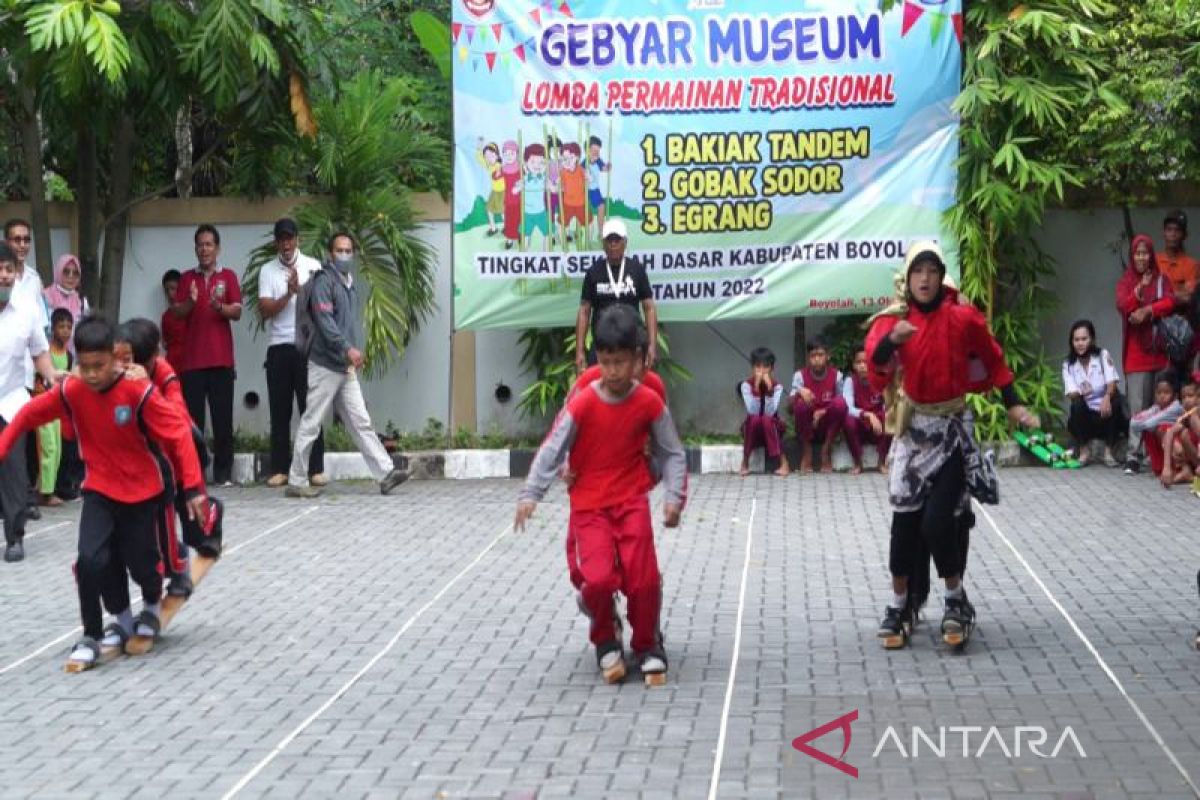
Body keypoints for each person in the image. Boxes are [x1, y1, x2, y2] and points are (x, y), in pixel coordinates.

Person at [0, 317, 207, 669]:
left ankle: (152, 604)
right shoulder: (72, 390)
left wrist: (194, 489)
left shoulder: (138, 392)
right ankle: (96, 632)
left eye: (100, 366)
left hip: (143, 492)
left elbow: (178, 433)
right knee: (91, 561)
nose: (93, 375)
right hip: (99, 489)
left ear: (116, 357)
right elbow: (27, 416)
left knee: (143, 564)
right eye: (85, 366)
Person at [865, 241, 1038, 651]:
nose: (924, 279)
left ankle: (956, 600)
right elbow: (875, 374)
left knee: (939, 522)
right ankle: (900, 604)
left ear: (942, 277)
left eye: (932, 271)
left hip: (953, 433)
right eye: (917, 271)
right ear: (907, 279)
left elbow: (994, 360)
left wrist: (1014, 405)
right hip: (912, 433)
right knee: (903, 526)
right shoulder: (894, 321)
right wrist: (892, 342)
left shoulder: (962, 318)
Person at [515, 304, 686, 685]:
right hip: (589, 501)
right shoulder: (585, 395)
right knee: (596, 579)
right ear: (598, 359)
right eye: (606, 362)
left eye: (623, 362)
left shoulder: (650, 396)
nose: (614, 372)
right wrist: (533, 492)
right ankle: (606, 635)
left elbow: (670, 450)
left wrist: (673, 498)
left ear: (641, 359)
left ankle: (647, 644)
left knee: (642, 579)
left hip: (631, 498)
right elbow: (556, 443)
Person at [285, 232, 407, 498]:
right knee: (312, 422)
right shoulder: (324, 282)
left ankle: (386, 474)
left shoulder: (348, 282)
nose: (344, 255)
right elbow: (326, 322)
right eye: (339, 250)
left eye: (348, 250)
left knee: (360, 421)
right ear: (330, 254)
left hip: (344, 367)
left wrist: (350, 353)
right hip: (325, 364)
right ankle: (296, 479)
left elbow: (344, 324)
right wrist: (347, 349)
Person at [115, 318, 225, 596]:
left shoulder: (164, 373)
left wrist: (193, 490)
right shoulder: (120, 372)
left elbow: (178, 423)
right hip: (152, 462)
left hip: (182, 455)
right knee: (151, 525)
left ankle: (213, 511)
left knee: (195, 532)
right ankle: (175, 570)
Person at [0, 243, 63, 562]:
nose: (3, 276)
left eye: (8, 269)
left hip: (11, 402)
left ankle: (14, 537)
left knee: (14, 471)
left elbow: (40, 353)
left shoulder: (26, 311)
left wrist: (52, 376)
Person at [170, 224, 241, 486]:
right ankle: (195, 471)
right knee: (193, 422)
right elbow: (177, 312)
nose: (204, 249)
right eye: (200, 244)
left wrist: (218, 306)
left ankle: (223, 473)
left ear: (218, 248)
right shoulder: (187, 278)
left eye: (209, 244)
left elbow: (237, 311)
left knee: (223, 420)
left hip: (221, 360)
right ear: (195, 248)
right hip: (193, 363)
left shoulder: (229, 276)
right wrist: (191, 301)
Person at [257, 218, 326, 489]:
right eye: (281, 239)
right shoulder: (267, 271)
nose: (286, 244)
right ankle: (279, 469)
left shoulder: (313, 266)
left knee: (310, 409)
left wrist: (303, 292)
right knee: (280, 410)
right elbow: (264, 310)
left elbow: (322, 307)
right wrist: (288, 294)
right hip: (279, 347)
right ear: (276, 242)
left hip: (307, 347)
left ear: (298, 239)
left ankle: (315, 468)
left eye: (290, 238)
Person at [1116, 234, 1178, 473]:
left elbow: (1171, 303)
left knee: (1160, 404)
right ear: (1133, 256)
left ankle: (1158, 456)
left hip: (1160, 351)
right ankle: (1134, 455)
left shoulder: (1162, 279)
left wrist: (1149, 310)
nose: (1141, 257)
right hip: (1136, 354)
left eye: (1145, 253)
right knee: (1138, 407)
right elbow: (1124, 307)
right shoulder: (1126, 281)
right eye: (1137, 253)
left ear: (1151, 255)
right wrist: (1140, 288)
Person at [575, 218, 659, 371]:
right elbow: (584, 311)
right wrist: (579, 351)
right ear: (603, 244)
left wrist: (652, 345)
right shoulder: (593, 272)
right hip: (602, 346)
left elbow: (649, 308)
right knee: (600, 391)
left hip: (632, 344)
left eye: (617, 240)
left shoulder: (637, 270)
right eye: (609, 240)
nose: (613, 244)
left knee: (634, 391)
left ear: (625, 242)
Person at [1061, 319, 1126, 466]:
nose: (1080, 343)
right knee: (1076, 405)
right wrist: (1081, 393)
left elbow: (1112, 382)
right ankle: (1084, 451)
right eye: (1076, 340)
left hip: (1105, 414)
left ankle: (1108, 452)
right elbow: (1071, 394)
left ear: (1092, 339)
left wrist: (1107, 397)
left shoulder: (1102, 355)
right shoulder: (1068, 364)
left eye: (1084, 339)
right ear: (1072, 342)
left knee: (1115, 401)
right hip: (1087, 418)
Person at [789, 338, 849, 474]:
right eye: (813, 356)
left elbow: (843, 405)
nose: (816, 359)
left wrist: (823, 411)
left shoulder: (837, 376)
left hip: (828, 427)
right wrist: (799, 392)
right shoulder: (800, 376)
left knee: (839, 403)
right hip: (807, 427)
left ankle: (825, 451)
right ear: (808, 358)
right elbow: (790, 408)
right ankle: (807, 451)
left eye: (820, 355)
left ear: (828, 356)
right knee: (801, 404)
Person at [34, 309, 73, 507]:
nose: (65, 331)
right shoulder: (44, 352)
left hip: (58, 407)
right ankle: (44, 493)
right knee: (47, 447)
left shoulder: (69, 355)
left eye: (68, 327)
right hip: (42, 405)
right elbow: (38, 378)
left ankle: (48, 488)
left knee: (56, 449)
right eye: (61, 326)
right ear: (53, 328)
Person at [738, 347, 789, 477]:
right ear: (752, 368)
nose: (761, 371)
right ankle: (745, 462)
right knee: (755, 419)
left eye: (766, 367)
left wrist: (769, 390)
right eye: (758, 367)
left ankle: (783, 463)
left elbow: (770, 412)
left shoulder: (777, 387)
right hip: (753, 429)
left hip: (771, 429)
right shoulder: (746, 386)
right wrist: (756, 388)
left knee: (766, 419)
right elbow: (752, 410)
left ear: (772, 369)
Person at [843, 348, 893, 475]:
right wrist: (868, 414)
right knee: (847, 420)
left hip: (878, 427)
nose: (862, 366)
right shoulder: (850, 381)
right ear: (853, 365)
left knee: (890, 416)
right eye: (858, 362)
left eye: (865, 362)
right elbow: (848, 407)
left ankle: (881, 462)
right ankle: (858, 463)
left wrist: (878, 416)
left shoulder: (880, 380)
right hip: (860, 423)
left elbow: (887, 404)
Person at [1129, 370, 1183, 481]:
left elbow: (1149, 423)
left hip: (1178, 444)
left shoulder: (1176, 407)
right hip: (1165, 442)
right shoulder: (1156, 408)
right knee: (1148, 431)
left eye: (1166, 392)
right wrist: (1145, 421)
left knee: (1160, 428)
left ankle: (1177, 468)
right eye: (1159, 393)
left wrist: (1145, 421)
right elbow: (1133, 423)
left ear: (1175, 394)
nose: (1162, 396)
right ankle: (1159, 468)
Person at [1160, 379, 1199, 488]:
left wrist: (1195, 421)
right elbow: (1169, 434)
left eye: (1190, 396)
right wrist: (1166, 468)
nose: (1186, 400)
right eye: (1183, 398)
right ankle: (1187, 471)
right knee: (1174, 434)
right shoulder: (1186, 416)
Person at [42, 254, 89, 341]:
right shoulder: (44, 297)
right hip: (49, 351)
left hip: (74, 352)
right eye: (66, 272)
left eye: (75, 273)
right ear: (58, 272)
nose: (71, 276)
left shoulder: (81, 301)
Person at [1157, 210, 1197, 304]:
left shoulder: (1192, 265)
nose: (1173, 234)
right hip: (1155, 315)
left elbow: (1187, 298)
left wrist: (1160, 295)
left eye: (1177, 230)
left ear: (1185, 235)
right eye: (1169, 229)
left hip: (1180, 316)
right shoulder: (1154, 260)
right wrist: (1177, 293)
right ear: (1163, 233)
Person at [160, 270, 186, 372]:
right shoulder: (166, 316)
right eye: (167, 290)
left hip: (191, 363)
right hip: (172, 363)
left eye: (173, 289)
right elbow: (165, 343)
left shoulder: (192, 312)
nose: (170, 294)